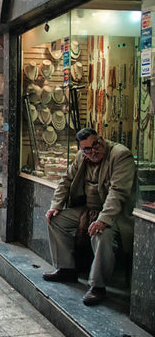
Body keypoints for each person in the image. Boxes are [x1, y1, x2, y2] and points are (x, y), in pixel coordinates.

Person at [43, 128, 135, 306]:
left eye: (96, 145)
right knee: (56, 220)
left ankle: (97, 286)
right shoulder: (81, 157)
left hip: (115, 214)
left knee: (102, 234)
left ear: (101, 140)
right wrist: (55, 206)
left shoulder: (120, 155)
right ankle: (66, 269)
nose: (93, 151)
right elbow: (66, 181)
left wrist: (103, 220)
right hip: (87, 209)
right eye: (87, 149)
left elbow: (118, 193)